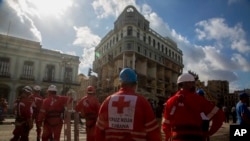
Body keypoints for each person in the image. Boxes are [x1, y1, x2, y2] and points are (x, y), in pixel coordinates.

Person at [95, 68, 162, 141]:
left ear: (120, 83)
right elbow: (154, 133)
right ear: (135, 84)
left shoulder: (107, 101)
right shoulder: (142, 102)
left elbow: (99, 131)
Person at [162, 73, 224, 141]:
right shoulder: (199, 99)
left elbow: (165, 124)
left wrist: (168, 136)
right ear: (188, 83)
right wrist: (209, 132)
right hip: (196, 137)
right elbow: (219, 115)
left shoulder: (170, 101)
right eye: (192, 83)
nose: (193, 85)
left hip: (176, 138)